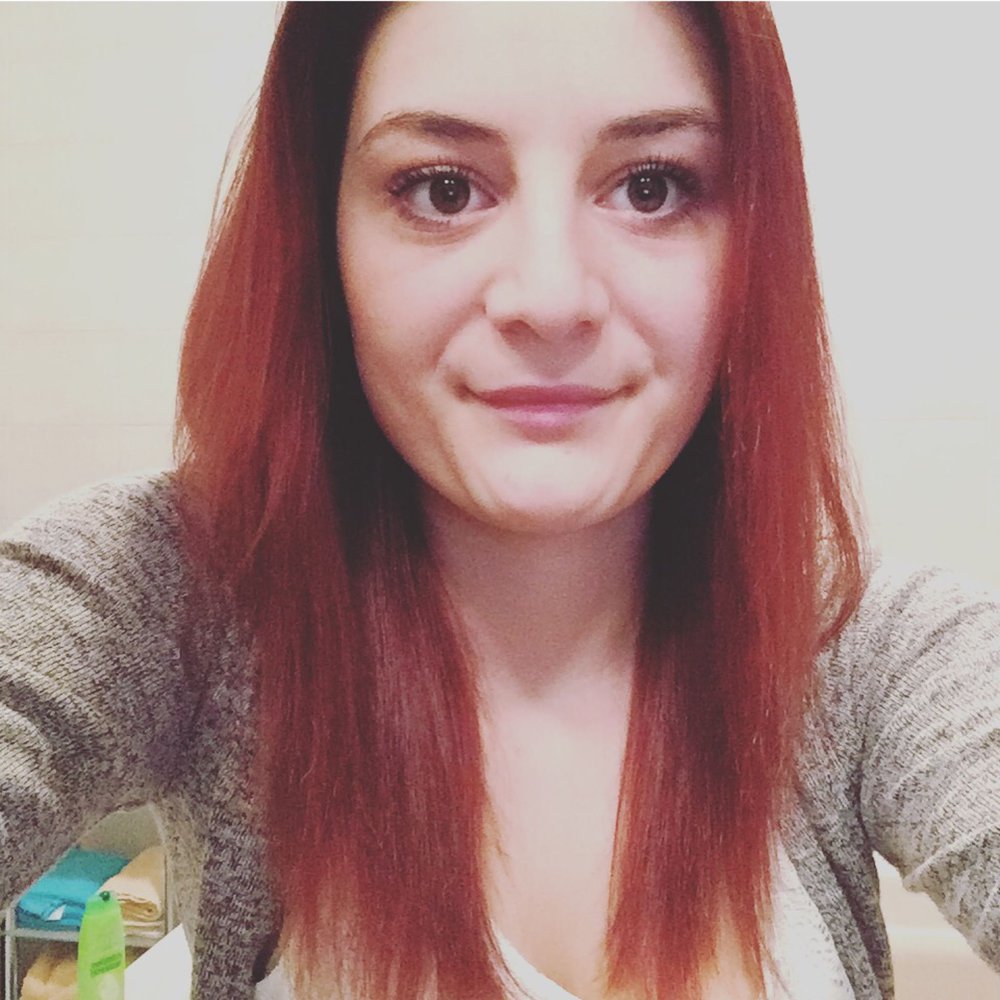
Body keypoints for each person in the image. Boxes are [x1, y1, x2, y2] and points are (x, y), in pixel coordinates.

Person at [0, 4, 997, 1000]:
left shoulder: (871, 652)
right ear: (323, 229)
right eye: (442, 189)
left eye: (651, 186)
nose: (551, 298)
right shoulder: (172, 596)